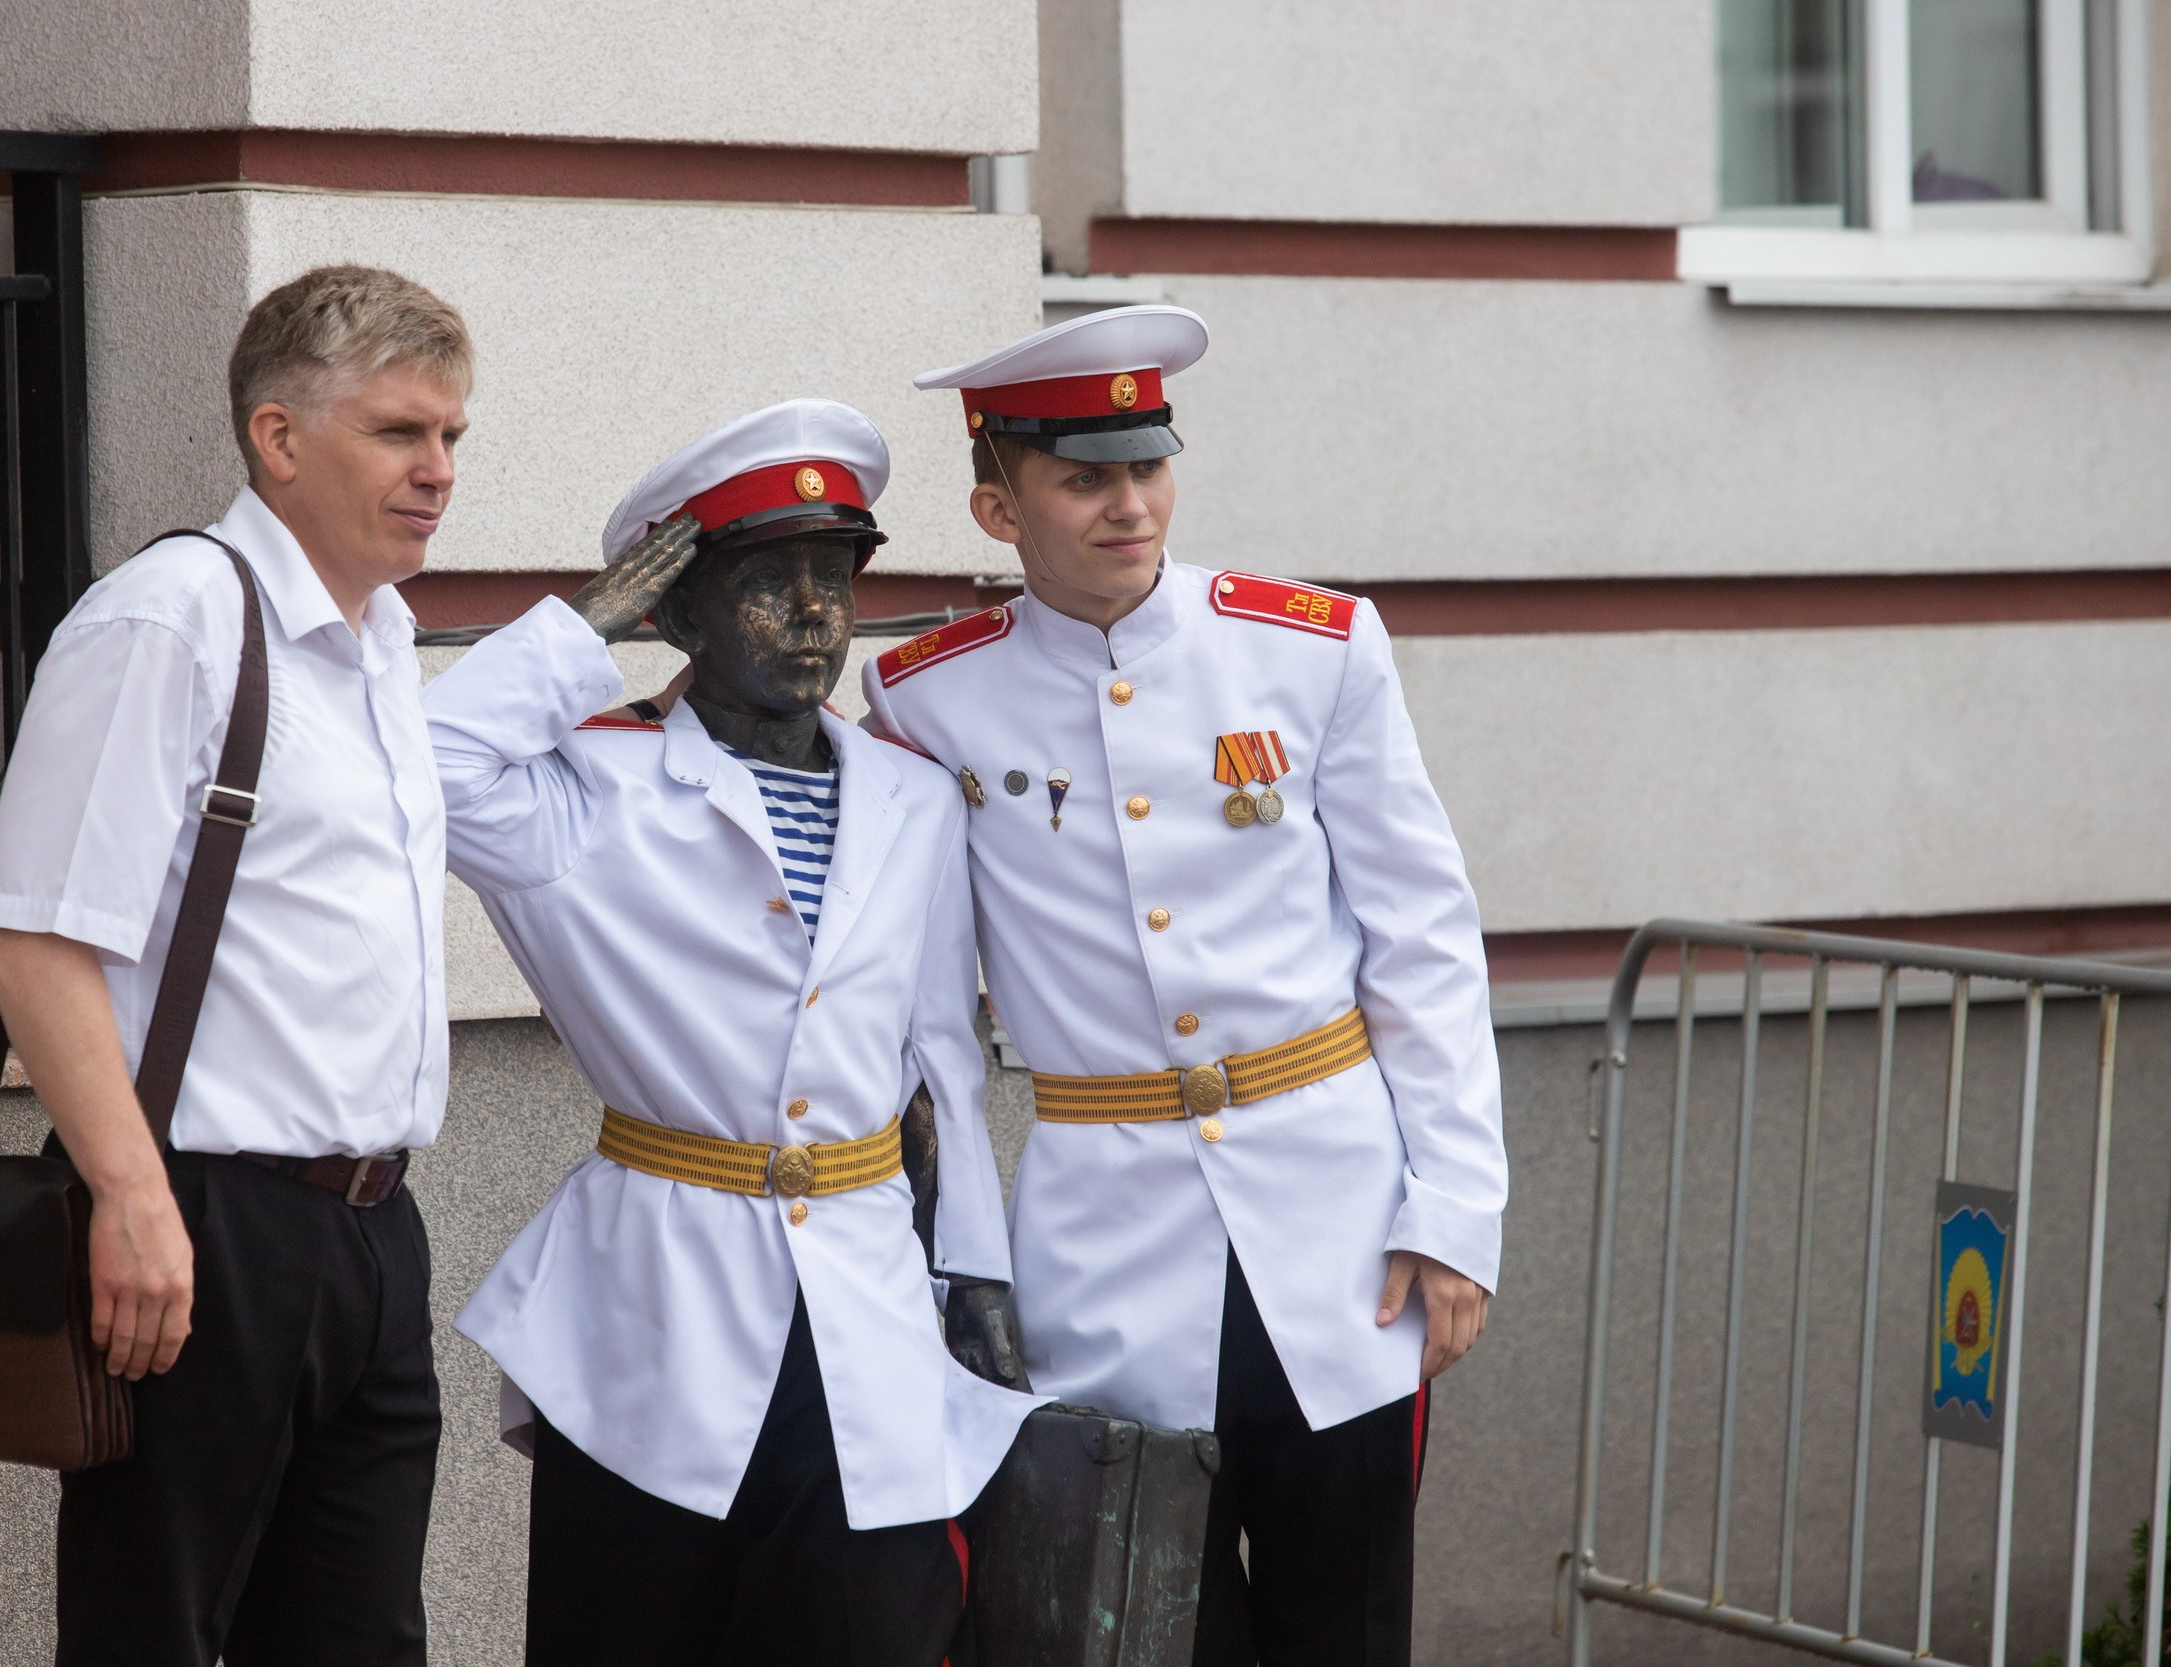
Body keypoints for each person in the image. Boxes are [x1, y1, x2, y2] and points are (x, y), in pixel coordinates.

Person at [862, 306, 1508, 1666]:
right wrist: (965, 1264)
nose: (1130, 504)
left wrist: (1453, 1209)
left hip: (1341, 1236)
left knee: (1347, 1627)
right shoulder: (928, 700)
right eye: (1083, 478)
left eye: (1147, 465)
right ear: (998, 507)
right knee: (1136, 1633)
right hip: (1103, 1241)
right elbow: (929, 1029)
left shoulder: (1312, 647)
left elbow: (1423, 936)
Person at [422, 399, 1042, 1667]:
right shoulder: (587, 788)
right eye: (768, 583)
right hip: (656, 1307)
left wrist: (972, 1268)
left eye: (835, 577)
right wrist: (574, 629)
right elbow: (415, 767)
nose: (815, 613)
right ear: (678, 614)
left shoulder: (914, 796)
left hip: (867, 1294)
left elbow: (938, 1054)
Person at [0, 265, 464, 1665]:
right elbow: (35, 932)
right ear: (278, 436)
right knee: (155, 1633)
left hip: (372, 1228)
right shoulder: (171, 615)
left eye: (450, 436)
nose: (437, 470)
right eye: (398, 431)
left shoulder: (381, 641)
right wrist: (132, 1197)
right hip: (207, 1219)